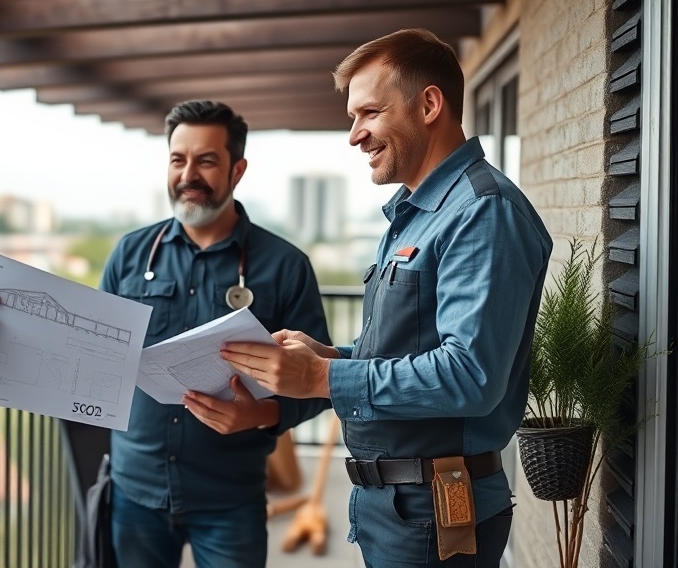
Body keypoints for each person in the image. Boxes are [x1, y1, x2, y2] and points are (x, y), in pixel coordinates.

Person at [222, 29, 553, 567]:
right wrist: (330, 359)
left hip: (438, 514)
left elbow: (471, 374)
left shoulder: (482, 213)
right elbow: (409, 350)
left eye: (369, 113)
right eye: (353, 117)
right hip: (398, 509)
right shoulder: (414, 213)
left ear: (428, 104)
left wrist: (322, 379)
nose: (354, 135)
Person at [99, 100, 333, 568]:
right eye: (178, 159)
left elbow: (320, 384)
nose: (189, 174)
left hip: (230, 497)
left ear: (237, 169)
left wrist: (262, 415)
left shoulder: (284, 266)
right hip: (135, 492)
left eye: (206, 160)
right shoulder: (130, 254)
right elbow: (98, 355)